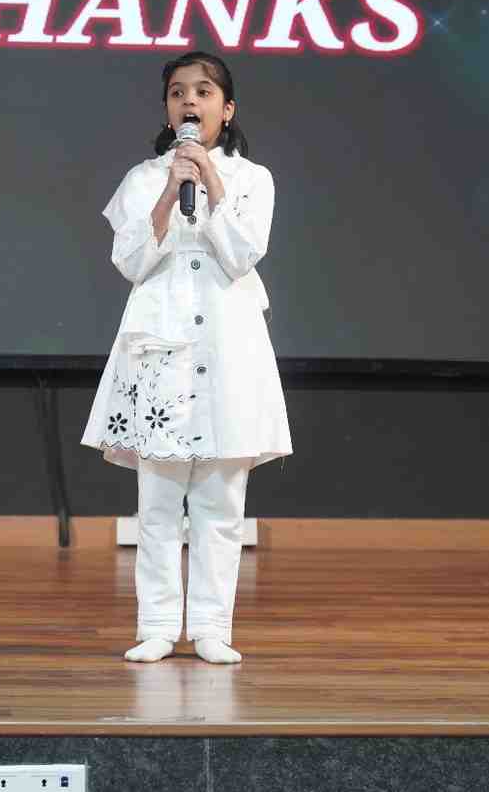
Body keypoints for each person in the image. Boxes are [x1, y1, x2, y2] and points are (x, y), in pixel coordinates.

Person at [81, 51, 292, 662]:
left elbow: (243, 254)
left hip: (228, 349)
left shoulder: (254, 179)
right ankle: (155, 625)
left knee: (221, 504)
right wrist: (170, 192)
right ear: (167, 109)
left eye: (203, 92)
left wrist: (211, 181)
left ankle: (210, 628)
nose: (189, 102)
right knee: (157, 503)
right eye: (178, 93)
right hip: (160, 348)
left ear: (227, 109)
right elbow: (130, 262)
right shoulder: (143, 179)